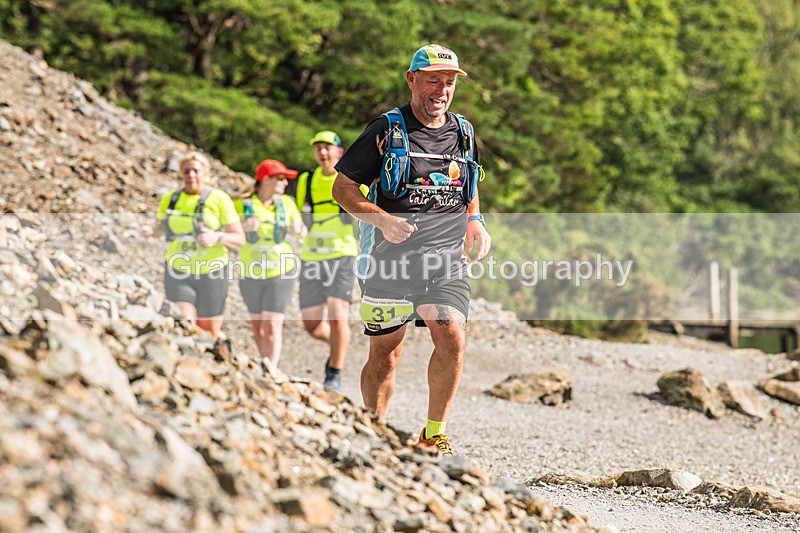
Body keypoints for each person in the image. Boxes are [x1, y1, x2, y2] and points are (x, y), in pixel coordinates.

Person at [331, 44, 491, 455]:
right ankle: (375, 429)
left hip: (445, 260)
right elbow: (343, 189)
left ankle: (433, 432)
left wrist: (475, 220)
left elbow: (467, 186)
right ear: (411, 79)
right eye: (434, 79)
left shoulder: (464, 132)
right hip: (389, 261)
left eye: (450, 81)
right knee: (386, 353)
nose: (442, 89)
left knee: (452, 334)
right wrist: (382, 219)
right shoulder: (386, 129)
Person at [141, 151, 245, 357]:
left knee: (209, 331)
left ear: (205, 174)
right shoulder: (171, 199)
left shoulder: (219, 199)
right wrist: (151, 231)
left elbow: (239, 238)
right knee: (185, 322)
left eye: (196, 171)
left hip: (212, 271)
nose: (192, 175)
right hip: (178, 270)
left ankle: (222, 358)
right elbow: (162, 227)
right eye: (187, 171)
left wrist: (216, 237)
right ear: (181, 174)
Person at [292, 131, 361, 392]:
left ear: (339, 152)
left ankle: (335, 372)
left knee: (337, 314)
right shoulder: (306, 180)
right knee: (311, 325)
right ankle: (338, 346)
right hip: (312, 256)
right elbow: (300, 213)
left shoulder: (351, 179)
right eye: (318, 148)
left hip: (342, 254)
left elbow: (364, 209)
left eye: (328, 147)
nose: (322, 152)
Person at [233, 159, 306, 369]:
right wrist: (242, 226)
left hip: (281, 271)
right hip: (250, 271)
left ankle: (270, 370)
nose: (284, 183)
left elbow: (301, 230)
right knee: (258, 328)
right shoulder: (242, 204)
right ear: (265, 179)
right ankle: (264, 363)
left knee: (273, 326)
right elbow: (226, 230)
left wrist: (299, 229)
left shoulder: (287, 204)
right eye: (280, 178)